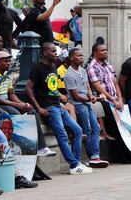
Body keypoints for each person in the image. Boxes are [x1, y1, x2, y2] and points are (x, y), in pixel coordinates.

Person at [26, 42, 91, 174]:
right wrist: (39, 108)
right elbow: (28, 88)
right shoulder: (38, 68)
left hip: (58, 105)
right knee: (61, 134)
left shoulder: (53, 67)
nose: (56, 54)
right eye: (53, 52)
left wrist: (60, 96)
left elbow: (51, 87)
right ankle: (73, 165)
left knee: (77, 130)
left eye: (56, 52)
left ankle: (76, 163)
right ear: (44, 53)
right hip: (49, 108)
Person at [0, 50, 57, 157]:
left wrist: (23, 104)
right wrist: (16, 105)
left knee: (31, 111)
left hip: (7, 102)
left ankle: (41, 147)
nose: (8, 64)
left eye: (9, 61)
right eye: (6, 62)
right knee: (15, 112)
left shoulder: (7, 75)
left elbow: (11, 94)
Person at [64, 48, 109, 167]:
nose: (81, 58)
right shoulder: (69, 75)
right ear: (72, 58)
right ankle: (91, 155)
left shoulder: (83, 71)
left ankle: (95, 156)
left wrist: (91, 96)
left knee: (96, 127)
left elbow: (87, 86)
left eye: (82, 56)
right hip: (79, 105)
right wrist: (91, 99)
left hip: (88, 103)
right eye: (78, 56)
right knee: (87, 129)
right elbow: (76, 96)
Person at [86, 43, 123, 142]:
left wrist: (120, 99)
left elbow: (116, 83)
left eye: (106, 50)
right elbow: (97, 86)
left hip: (114, 100)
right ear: (95, 53)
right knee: (115, 126)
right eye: (102, 50)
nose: (105, 52)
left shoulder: (109, 66)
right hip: (103, 100)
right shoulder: (92, 67)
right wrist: (113, 100)